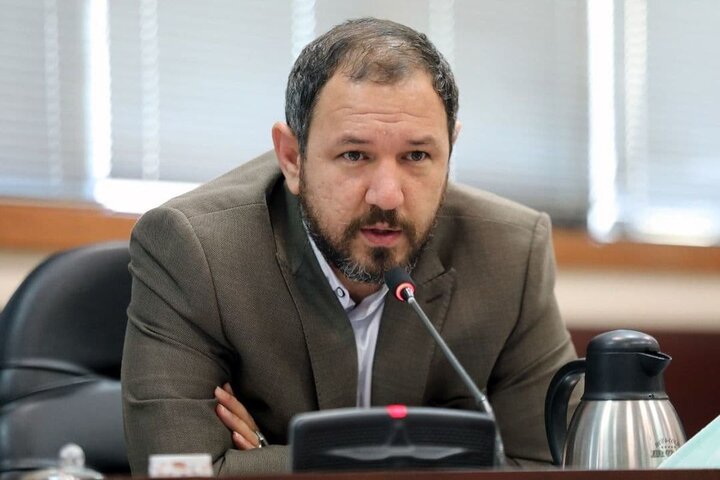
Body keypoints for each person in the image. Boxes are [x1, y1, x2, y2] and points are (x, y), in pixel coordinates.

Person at [121, 17, 577, 475]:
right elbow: (177, 472)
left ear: (449, 150)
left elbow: (550, 465)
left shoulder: (510, 254)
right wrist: (432, 457)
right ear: (292, 158)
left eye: (417, 156)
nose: (387, 196)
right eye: (354, 155)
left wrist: (273, 456)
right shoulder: (195, 249)